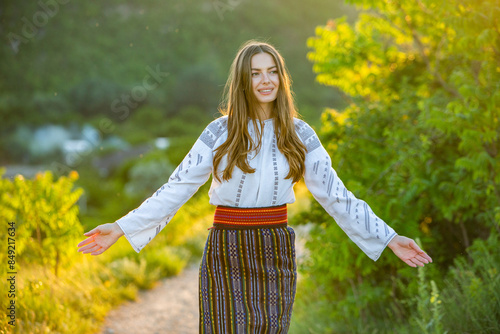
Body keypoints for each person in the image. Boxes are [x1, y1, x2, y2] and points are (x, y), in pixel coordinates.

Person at [77, 40, 432, 333]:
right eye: (255, 73)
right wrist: (121, 227)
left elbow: (337, 196)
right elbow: (176, 188)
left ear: (281, 78)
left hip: (274, 249)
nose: (265, 80)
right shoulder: (219, 132)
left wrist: (388, 237)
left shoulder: (300, 134)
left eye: (272, 71)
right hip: (225, 248)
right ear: (243, 82)